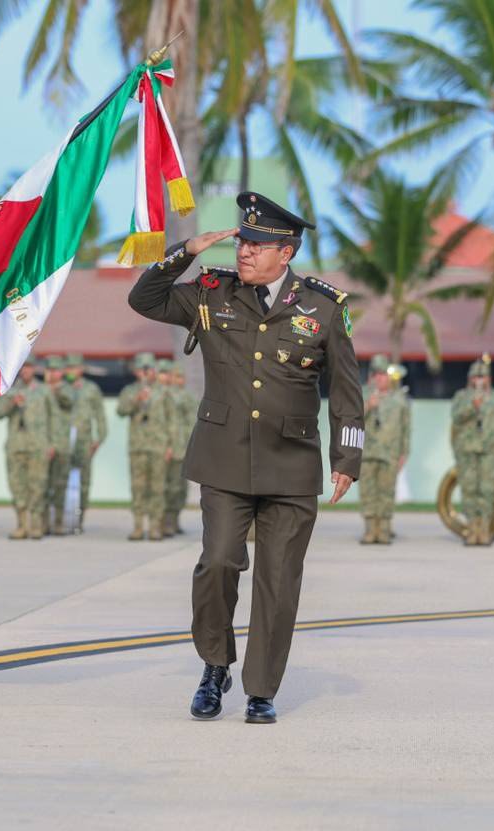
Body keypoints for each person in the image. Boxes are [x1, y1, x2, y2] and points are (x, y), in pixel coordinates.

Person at [128, 191, 363, 724]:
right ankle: (215, 666)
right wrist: (186, 251)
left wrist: (347, 456)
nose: (245, 251)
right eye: (243, 241)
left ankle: (261, 689)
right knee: (217, 563)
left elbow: (348, 391)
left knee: (278, 582)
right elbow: (144, 299)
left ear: (287, 252)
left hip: (291, 465)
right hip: (224, 460)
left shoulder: (324, 307)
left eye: (258, 245)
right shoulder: (211, 294)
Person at [0, 356, 56, 540]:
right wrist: (11, 402)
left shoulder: (44, 391)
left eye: (28, 367)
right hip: (16, 446)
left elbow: (54, 419)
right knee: (17, 486)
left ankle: (36, 525)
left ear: (34, 369)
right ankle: (22, 525)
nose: (25, 371)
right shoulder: (10, 390)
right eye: (22, 367)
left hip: (38, 446)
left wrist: (53, 444)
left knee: (38, 485)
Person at [450, 354, 494, 546]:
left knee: (487, 490)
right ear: (470, 379)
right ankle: (472, 529)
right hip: (467, 450)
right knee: (469, 490)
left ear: (489, 379)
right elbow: (456, 418)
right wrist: (471, 407)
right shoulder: (462, 397)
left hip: (490, 450)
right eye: (476, 377)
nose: (479, 380)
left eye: (482, 377)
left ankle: (484, 529)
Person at [116, 352, 172, 541]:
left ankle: (155, 527)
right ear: (136, 371)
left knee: (158, 488)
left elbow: (172, 420)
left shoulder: (164, 391)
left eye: (148, 369)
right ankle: (138, 527)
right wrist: (136, 400)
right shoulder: (130, 391)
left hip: (158, 446)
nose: (145, 373)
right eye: (142, 369)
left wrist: (171, 446)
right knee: (138, 488)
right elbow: (121, 411)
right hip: (138, 446)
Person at [359, 355, 410, 545]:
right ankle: (370, 530)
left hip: (390, 453)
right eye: (376, 374)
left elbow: (406, 428)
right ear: (371, 376)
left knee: (387, 492)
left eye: (383, 374)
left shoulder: (399, 398)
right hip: (367, 452)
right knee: (368, 492)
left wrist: (404, 452)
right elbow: (351, 419)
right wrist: (368, 406)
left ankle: (384, 530)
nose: (380, 378)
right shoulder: (362, 394)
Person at [64, 354, 106, 533]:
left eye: (74, 367)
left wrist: (99, 439)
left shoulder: (91, 389)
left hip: (84, 442)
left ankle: (78, 520)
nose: (71, 371)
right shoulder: (61, 388)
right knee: (59, 480)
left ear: (81, 369)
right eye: (68, 368)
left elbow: (100, 416)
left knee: (84, 482)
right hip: (63, 441)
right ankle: (59, 519)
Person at [163, 361, 197, 536]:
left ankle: (175, 519)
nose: (179, 380)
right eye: (176, 377)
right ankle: (166, 521)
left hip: (184, 447)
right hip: (170, 447)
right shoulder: (166, 395)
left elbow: (193, 420)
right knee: (170, 487)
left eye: (181, 377)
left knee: (181, 488)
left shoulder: (187, 396)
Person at [43, 356, 75, 535]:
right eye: (49, 370)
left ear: (61, 372)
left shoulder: (67, 389)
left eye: (55, 370)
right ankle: (43, 523)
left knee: (60, 484)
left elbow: (68, 401)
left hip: (61, 443)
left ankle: (58, 522)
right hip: (43, 442)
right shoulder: (40, 390)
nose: (52, 373)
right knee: (42, 485)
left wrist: (54, 389)